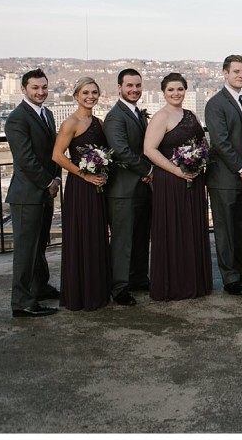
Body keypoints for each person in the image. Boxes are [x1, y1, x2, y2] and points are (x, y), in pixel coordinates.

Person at [143, 73, 213, 301]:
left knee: (191, 228)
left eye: (180, 89)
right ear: (163, 92)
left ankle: (194, 281)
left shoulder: (191, 115)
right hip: (171, 181)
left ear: (185, 91)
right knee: (174, 229)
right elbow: (149, 150)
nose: (176, 93)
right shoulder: (160, 117)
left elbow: (201, 144)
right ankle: (174, 284)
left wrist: (198, 162)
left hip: (193, 179)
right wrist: (177, 171)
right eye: (171, 90)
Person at [4, 69, 61, 317]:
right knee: (26, 250)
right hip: (27, 195)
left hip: (44, 192)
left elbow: (53, 150)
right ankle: (22, 302)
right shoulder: (17, 118)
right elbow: (25, 159)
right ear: (24, 89)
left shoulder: (47, 113)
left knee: (39, 245)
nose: (40, 92)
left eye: (44, 88)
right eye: (35, 88)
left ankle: (40, 286)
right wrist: (48, 182)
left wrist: (57, 177)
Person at [51, 77, 112, 312]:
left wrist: (103, 171)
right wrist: (84, 175)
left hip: (98, 185)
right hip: (80, 187)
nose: (90, 96)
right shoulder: (71, 123)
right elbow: (57, 155)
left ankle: (97, 291)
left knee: (97, 236)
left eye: (94, 92)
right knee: (82, 236)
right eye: (85, 92)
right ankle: (81, 294)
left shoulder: (99, 121)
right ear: (76, 95)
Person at [204, 54, 242, 296]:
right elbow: (220, 142)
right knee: (224, 230)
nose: (240, 76)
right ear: (225, 73)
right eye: (236, 72)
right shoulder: (215, 103)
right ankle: (230, 278)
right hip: (224, 178)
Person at [102, 68, 153, 306]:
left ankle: (138, 278)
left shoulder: (137, 114)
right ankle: (120, 287)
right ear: (119, 88)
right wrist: (149, 171)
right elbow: (121, 150)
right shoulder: (115, 116)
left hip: (141, 188)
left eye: (138, 86)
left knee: (141, 236)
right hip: (123, 190)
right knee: (123, 240)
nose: (134, 90)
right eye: (129, 86)